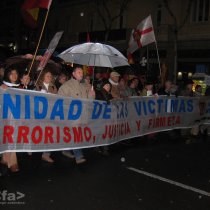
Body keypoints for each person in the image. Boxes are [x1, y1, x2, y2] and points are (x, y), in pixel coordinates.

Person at [58, 65, 95, 164]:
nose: (81, 74)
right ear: (73, 74)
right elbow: (60, 101)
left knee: (76, 135)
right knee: (76, 136)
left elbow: (88, 103)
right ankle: (78, 156)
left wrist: (91, 96)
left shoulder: (83, 87)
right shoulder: (66, 86)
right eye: (79, 72)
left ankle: (66, 150)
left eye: (82, 72)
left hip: (82, 116)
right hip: (72, 117)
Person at [0, 66, 20, 173]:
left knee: (10, 137)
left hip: (17, 117)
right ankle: (13, 162)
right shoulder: (3, 86)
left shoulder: (19, 87)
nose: (14, 75)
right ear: (8, 75)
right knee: (10, 136)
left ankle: (4, 158)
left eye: (16, 73)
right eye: (11, 73)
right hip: (6, 117)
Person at [36, 70, 57, 163]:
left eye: (50, 76)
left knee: (49, 134)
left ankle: (46, 154)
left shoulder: (53, 87)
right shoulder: (38, 86)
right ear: (43, 77)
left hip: (51, 114)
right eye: (47, 76)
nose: (49, 77)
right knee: (39, 133)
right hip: (40, 114)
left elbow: (58, 99)